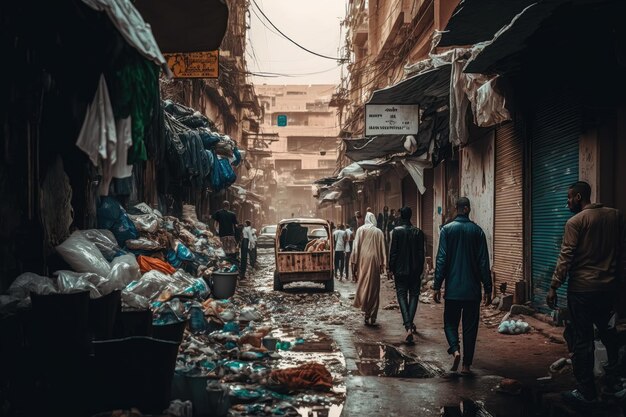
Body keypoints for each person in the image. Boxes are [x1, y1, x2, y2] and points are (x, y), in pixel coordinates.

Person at [546, 181, 625, 405]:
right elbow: (622, 253)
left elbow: (566, 256)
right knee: (609, 336)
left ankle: (586, 391)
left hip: (582, 291)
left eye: (569, 197)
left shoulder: (576, 221)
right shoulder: (616, 216)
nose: (567, 202)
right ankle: (615, 384)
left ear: (579, 197)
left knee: (582, 341)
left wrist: (553, 286)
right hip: (608, 291)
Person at [433, 197, 492, 375]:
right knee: (470, 328)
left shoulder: (447, 230)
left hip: (453, 291)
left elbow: (441, 259)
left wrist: (437, 285)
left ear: (457, 209)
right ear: (467, 209)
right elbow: (483, 262)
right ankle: (466, 365)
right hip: (472, 292)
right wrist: (487, 288)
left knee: (450, 323)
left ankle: (455, 349)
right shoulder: (478, 231)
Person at [389, 207, 425, 344]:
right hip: (415, 271)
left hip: (400, 271)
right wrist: (420, 269)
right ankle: (410, 323)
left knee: (402, 296)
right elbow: (421, 253)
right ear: (411, 216)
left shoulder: (396, 232)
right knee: (414, 295)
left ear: (400, 216)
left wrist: (390, 268)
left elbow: (394, 252)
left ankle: (408, 326)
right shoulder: (418, 232)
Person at [352, 212, 387, 326]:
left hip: (363, 260)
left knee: (363, 284)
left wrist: (354, 263)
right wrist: (383, 264)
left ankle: (366, 312)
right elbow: (383, 249)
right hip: (375, 260)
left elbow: (356, 248)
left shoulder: (360, 230)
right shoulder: (378, 232)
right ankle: (372, 315)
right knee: (374, 288)